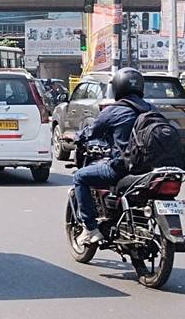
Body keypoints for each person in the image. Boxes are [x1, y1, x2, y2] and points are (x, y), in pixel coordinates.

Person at [72, 67, 152, 246]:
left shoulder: (113, 110)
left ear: (117, 88)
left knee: (80, 177)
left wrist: (76, 137)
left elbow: (92, 131)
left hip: (123, 168)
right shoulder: (151, 109)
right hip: (150, 168)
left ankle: (90, 230)